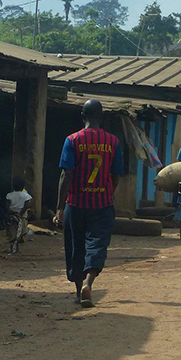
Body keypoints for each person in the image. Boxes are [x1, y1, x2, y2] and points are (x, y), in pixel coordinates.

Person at [55, 99, 124, 308]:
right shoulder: (113, 142)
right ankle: (89, 283)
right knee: (97, 244)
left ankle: (78, 291)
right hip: (102, 204)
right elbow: (116, 176)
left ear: (82, 117)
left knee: (76, 246)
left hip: (75, 203)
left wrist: (60, 207)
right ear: (101, 118)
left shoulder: (72, 140)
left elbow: (66, 175)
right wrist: (107, 193)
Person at [5, 177, 32, 253]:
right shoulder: (26, 195)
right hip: (22, 216)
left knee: (12, 232)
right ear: (23, 186)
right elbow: (27, 205)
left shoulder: (9, 195)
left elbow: (6, 205)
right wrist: (21, 212)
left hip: (11, 217)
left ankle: (13, 248)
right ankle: (16, 248)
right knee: (20, 232)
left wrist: (10, 211)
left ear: (13, 186)